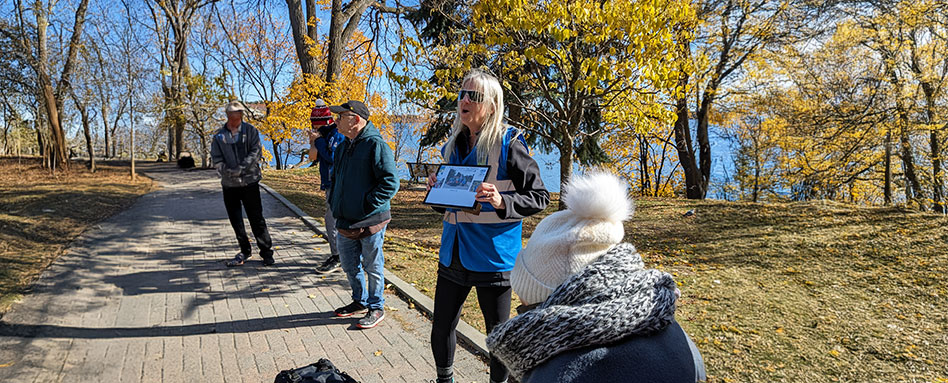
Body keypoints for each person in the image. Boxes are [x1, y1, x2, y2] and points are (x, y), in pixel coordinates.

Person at [486, 172, 707, 383]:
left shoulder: (558, 373)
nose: (519, 306)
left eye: (525, 307)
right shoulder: (677, 336)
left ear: (550, 305)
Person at [426, 69, 550, 383]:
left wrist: (501, 202)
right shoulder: (451, 145)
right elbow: (451, 204)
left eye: (474, 96)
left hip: (493, 258)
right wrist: (436, 191)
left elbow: (539, 197)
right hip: (453, 253)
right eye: (462, 94)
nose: (464, 100)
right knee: (441, 327)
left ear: (491, 105)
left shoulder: (510, 143)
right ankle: (445, 379)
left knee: (499, 338)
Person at [327, 100, 399, 329]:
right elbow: (336, 179)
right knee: (349, 266)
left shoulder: (375, 145)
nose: (336, 120)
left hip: (371, 221)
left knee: (372, 266)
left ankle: (376, 307)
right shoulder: (342, 146)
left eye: (341, 116)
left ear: (356, 119)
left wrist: (366, 204)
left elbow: (390, 183)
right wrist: (335, 202)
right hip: (346, 221)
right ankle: (359, 302)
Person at [211, 100, 275, 267]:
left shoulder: (251, 131)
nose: (234, 120)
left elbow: (256, 152)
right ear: (227, 116)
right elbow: (216, 158)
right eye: (231, 116)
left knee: (257, 218)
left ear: (241, 116)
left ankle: (266, 252)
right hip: (229, 185)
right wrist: (224, 169)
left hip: (249, 182)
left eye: (237, 116)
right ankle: (245, 250)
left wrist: (242, 167)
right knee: (236, 220)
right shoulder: (219, 136)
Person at [307, 100, 346, 273]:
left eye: (318, 126)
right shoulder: (324, 136)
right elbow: (313, 157)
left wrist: (320, 141)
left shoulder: (336, 135)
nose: (316, 129)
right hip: (329, 183)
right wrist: (313, 142)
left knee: (332, 221)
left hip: (337, 183)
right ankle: (337, 254)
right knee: (331, 220)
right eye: (314, 127)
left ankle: (339, 256)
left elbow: (333, 157)